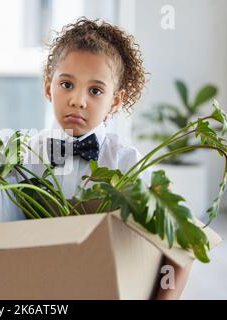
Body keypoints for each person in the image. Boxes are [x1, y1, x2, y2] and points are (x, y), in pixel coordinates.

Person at [21, 17, 191, 300]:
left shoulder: (129, 164)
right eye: (66, 84)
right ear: (47, 87)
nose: (78, 100)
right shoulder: (26, 156)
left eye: (95, 90)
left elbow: (181, 246)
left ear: (115, 100)